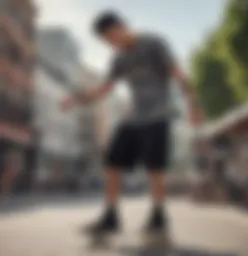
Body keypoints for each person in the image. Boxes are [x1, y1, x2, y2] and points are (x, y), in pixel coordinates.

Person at [60, 11, 201, 236]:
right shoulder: (119, 59)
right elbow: (104, 89)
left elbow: (178, 74)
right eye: (105, 42)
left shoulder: (153, 43)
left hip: (158, 114)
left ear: (120, 27)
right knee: (112, 162)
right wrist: (76, 98)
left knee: (155, 168)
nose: (110, 44)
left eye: (109, 37)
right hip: (133, 117)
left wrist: (193, 105)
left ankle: (158, 215)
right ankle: (111, 217)